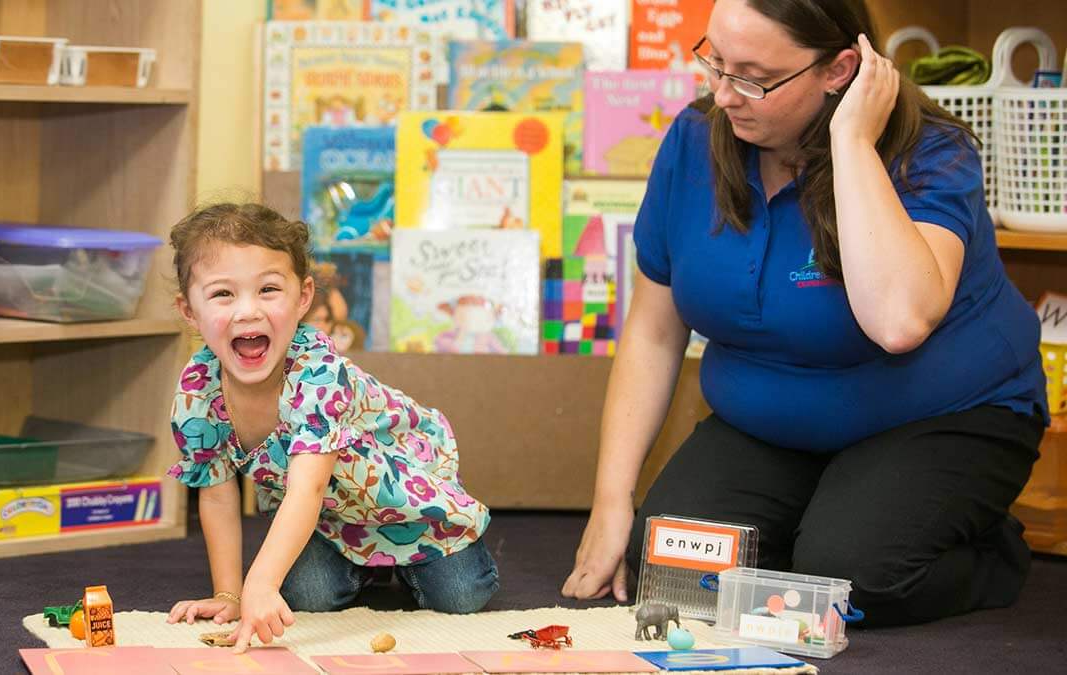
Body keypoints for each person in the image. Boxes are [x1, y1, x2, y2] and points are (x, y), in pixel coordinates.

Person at [562, 0, 1047, 628]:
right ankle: (824, 521)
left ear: (839, 69)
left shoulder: (932, 152)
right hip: (770, 422)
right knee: (675, 571)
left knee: (849, 581)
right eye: (715, 62)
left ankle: (989, 549)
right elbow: (655, 332)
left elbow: (899, 321)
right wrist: (610, 501)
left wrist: (852, 143)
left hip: (939, 417)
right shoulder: (692, 140)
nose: (724, 94)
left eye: (754, 77)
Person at [164, 203, 497, 652]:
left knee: (461, 596)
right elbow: (219, 494)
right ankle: (360, 564)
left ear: (303, 298)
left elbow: (308, 489)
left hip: (409, 507)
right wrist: (234, 594)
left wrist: (262, 580)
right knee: (305, 598)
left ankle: (406, 562)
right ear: (189, 310)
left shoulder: (318, 373)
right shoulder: (198, 392)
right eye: (223, 294)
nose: (247, 311)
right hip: (332, 519)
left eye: (267, 290)